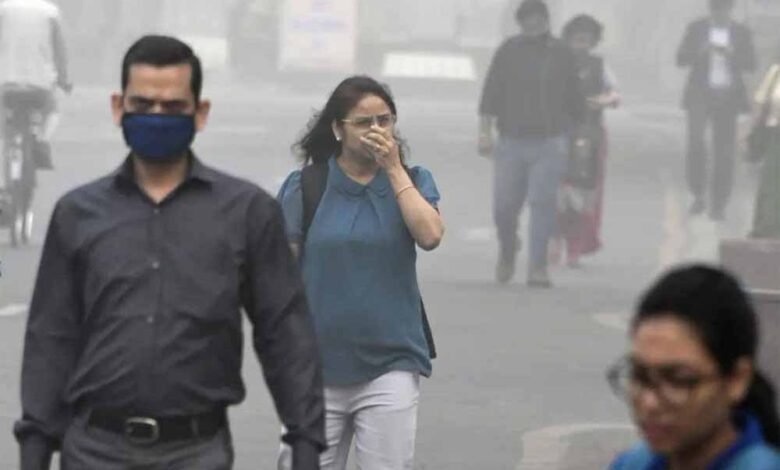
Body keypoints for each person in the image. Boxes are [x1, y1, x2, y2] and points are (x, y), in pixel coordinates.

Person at [14, 35, 325, 470]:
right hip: (93, 450)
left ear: (200, 112)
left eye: (173, 106)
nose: (157, 115)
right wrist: (34, 449)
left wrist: (305, 441)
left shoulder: (246, 213)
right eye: (143, 104)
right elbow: (51, 338)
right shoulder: (77, 215)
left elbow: (285, 333)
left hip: (195, 452)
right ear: (118, 107)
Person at [277, 75, 444, 469]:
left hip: (391, 362)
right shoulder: (306, 186)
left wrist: (394, 170)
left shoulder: (414, 181)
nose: (376, 130)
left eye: (385, 121)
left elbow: (430, 235)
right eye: (364, 122)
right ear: (338, 129)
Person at [608, 265, 780, 469]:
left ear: (737, 380)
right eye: (639, 376)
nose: (649, 403)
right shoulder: (633, 463)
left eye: (678, 381)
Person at [479, 0, 584, 288]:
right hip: (511, 142)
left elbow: (576, 100)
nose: (533, 23)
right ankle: (508, 248)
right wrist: (485, 133)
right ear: (520, 22)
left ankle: (538, 266)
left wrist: (574, 139)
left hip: (550, 142)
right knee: (504, 206)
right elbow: (490, 93)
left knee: (543, 204)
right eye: (527, 18)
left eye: (538, 18)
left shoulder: (561, 53)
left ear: (546, 20)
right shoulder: (508, 51)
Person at [550, 14, 620, 269]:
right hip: (557, 134)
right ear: (568, 39)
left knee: (583, 194)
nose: (582, 44)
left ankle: (575, 248)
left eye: (587, 39)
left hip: (588, 136)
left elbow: (614, 96)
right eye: (577, 38)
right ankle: (554, 242)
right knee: (556, 193)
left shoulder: (600, 66)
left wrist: (602, 100)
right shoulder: (555, 63)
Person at [677, 0, 756, 221]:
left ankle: (719, 204)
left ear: (731, 9)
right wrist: (700, 51)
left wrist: (732, 54)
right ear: (710, 9)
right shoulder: (696, 28)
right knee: (696, 143)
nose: (720, 13)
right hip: (699, 96)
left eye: (724, 9)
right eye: (716, 8)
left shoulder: (741, 32)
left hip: (728, 98)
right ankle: (698, 193)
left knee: (724, 153)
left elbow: (751, 64)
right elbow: (681, 59)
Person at [0, 0, 71, 164]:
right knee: (52, 110)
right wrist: (63, 79)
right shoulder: (51, 12)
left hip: (5, 79)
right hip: (40, 81)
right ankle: (43, 140)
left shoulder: (2, 9)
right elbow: (60, 50)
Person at [749, 61, 780, 238]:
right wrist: (752, 129)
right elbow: (760, 102)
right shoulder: (776, 72)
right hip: (775, 134)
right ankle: (766, 226)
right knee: (771, 181)